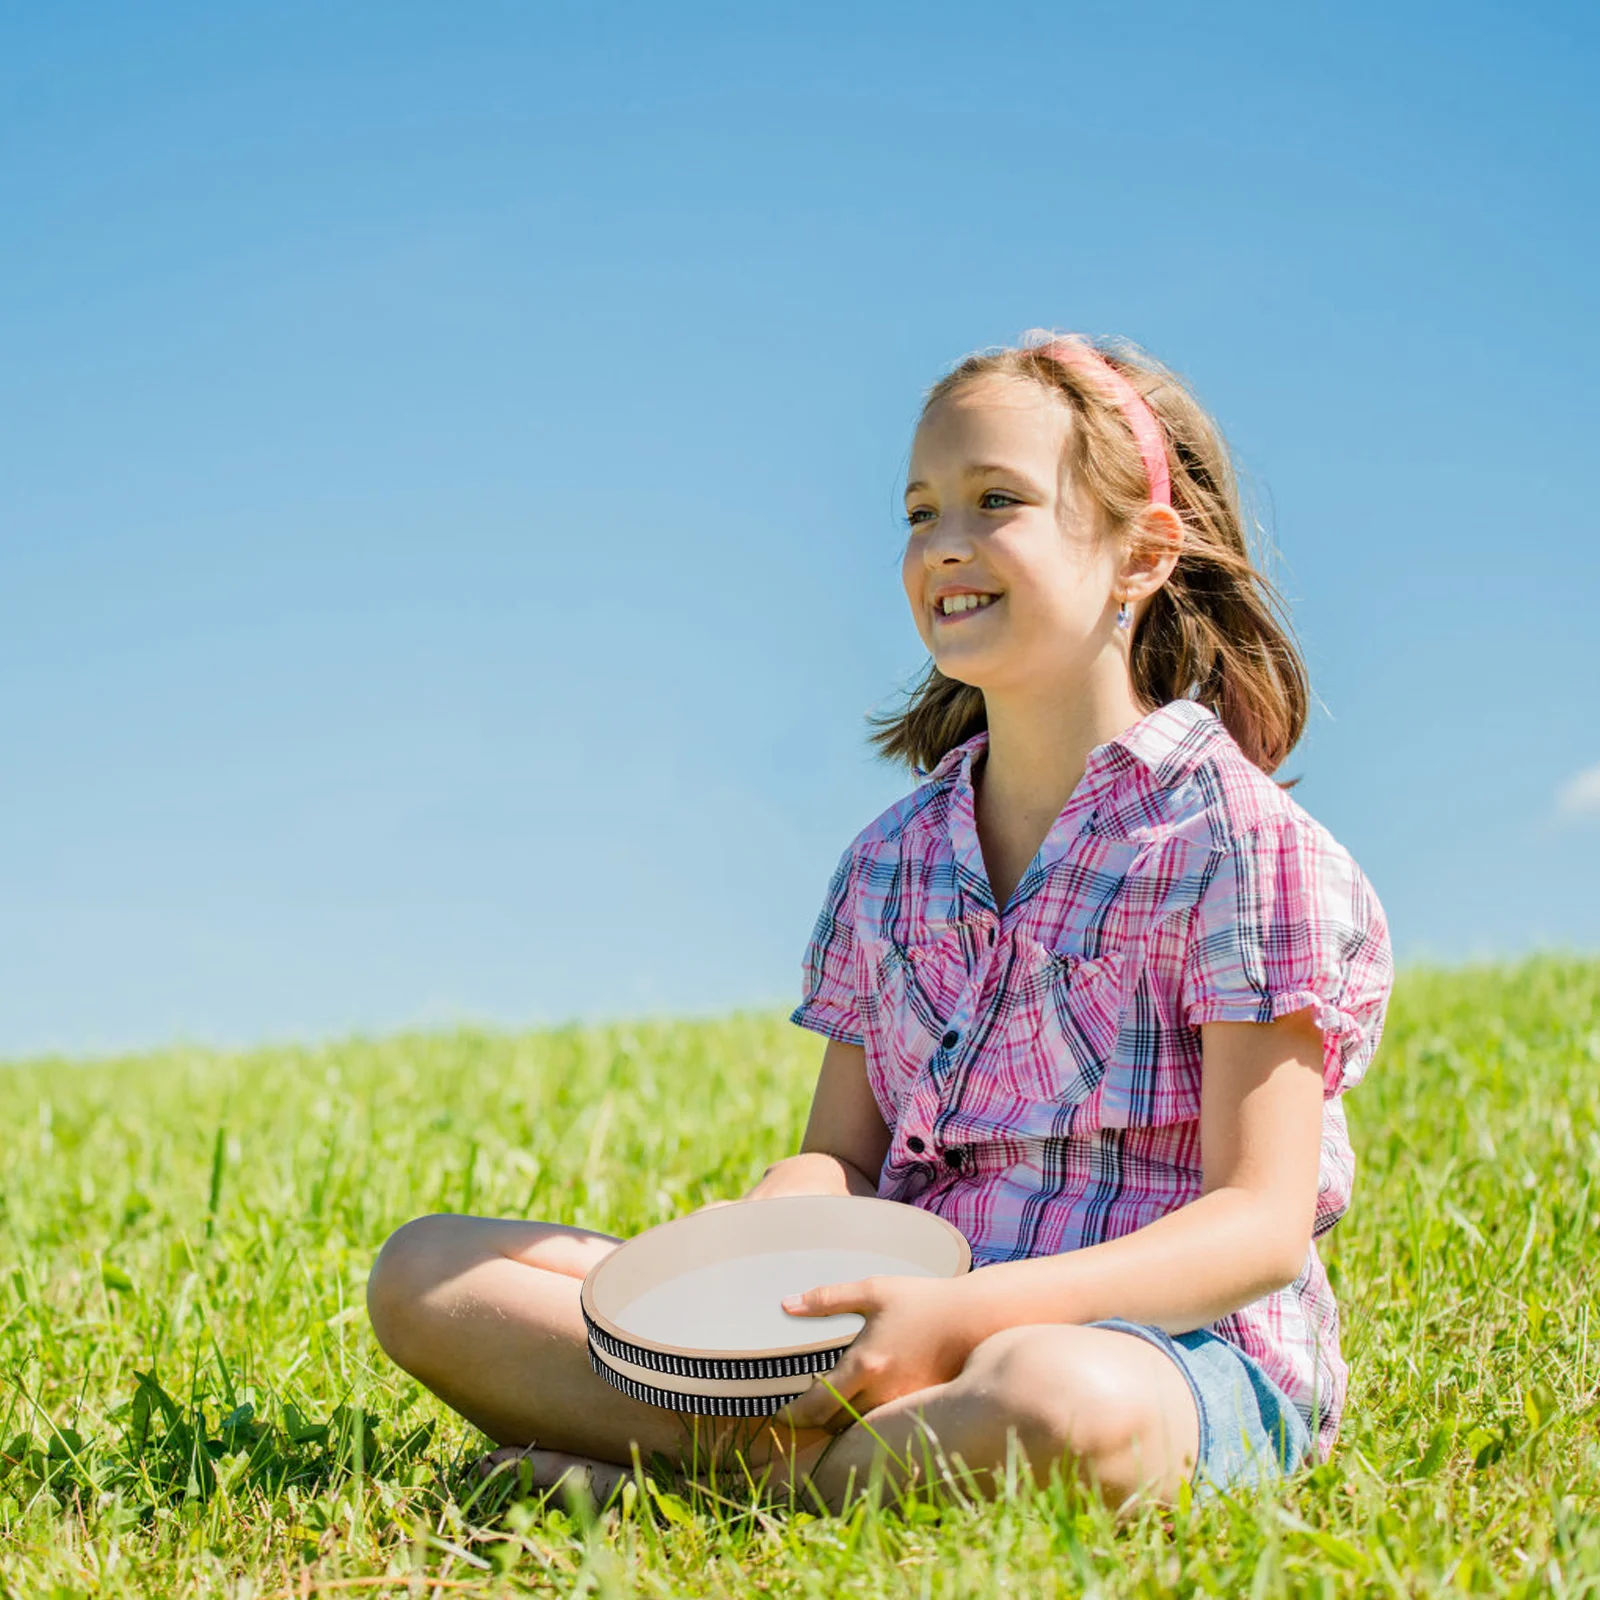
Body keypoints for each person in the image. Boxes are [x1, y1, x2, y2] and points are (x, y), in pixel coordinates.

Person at [364, 329, 1394, 1517]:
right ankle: (816, 1464)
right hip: (875, 1340)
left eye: (995, 499)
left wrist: (967, 1317)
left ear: (1140, 553)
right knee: (433, 1275)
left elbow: (1256, 1227)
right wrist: (782, 1214)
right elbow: (842, 1155)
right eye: (919, 510)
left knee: (1057, 1404)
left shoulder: (1235, 842)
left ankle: (721, 1480)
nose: (942, 542)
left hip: (1162, 1350)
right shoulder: (892, 863)